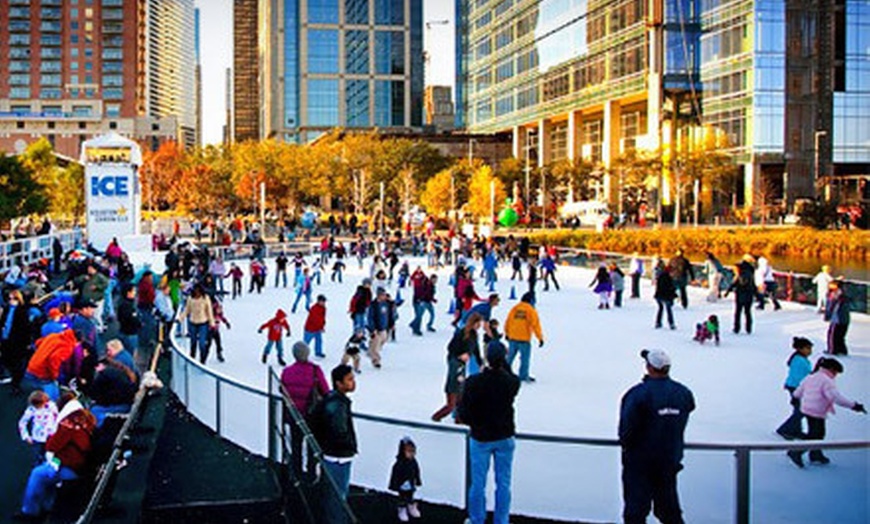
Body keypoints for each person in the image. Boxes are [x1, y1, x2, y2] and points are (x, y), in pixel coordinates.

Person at [619, 349, 695, 524]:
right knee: (669, 510)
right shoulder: (682, 392)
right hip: (669, 460)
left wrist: (628, 445)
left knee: (635, 511)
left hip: (639, 462)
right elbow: (689, 406)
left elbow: (626, 429)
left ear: (649, 367)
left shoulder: (638, 394)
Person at [458, 341, 520, 524]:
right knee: (504, 484)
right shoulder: (510, 383)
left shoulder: (474, 382)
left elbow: (464, 412)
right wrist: (501, 361)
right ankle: (502, 521)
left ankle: (477, 519)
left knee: (478, 484)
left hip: (481, 438)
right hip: (505, 437)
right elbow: (511, 377)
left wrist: (475, 424)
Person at [16, 397, 96, 520]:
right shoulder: (86, 419)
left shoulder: (68, 425)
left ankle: (30, 512)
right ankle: (48, 505)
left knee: (38, 474)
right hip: (80, 465)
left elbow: (51, 446)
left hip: (70, 468)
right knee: (47, 473)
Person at [787, 357, 866, 467]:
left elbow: (799, 390)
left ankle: (815, 455)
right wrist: (853, 405)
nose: (836, 375)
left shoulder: (811, 377)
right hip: (817, 411)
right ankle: (796, 452)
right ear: (831, 369)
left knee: (815, 433)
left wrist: (795, 397)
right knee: (816, 435)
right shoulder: (827, 381)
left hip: (807, 409)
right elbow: (835, 398)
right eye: (836, 372)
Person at [311, 364, 357, 524]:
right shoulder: (337, 405)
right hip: (338, 457)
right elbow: (339, 431)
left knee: (333, 495)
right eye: (349, 379)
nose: (353, 382)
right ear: (339, 383)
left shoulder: (331, 400)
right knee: (337, 496)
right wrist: (348, 447)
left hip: (334, 454)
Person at [280, 341, 330, 476]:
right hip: (312, 415)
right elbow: (326, 391)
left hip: (294, 415)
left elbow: (282, 391)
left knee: (296, 445)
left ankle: (297, 473)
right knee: (312, 445)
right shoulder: (315, 370)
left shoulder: (286, 372)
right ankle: (312, 472)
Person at [432, 312, 482, 422]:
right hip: (456, 363)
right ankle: (438, 416)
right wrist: (460, 355)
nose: (480, 326)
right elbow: (451, 348)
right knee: (455, 390)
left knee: (461, 392)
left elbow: (475, 351)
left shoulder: (474, 335)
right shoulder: (461, 333)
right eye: (479, 323)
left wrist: (481, 363)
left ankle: (459, 418)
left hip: (462, 365)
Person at [776, 337, 813, 440]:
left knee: (799, 409)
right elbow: (799, 377)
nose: (810, 351)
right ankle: (785, 429)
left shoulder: (800, 359)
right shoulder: (799, 361)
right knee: (801, 410)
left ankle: (795, 430)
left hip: (797, 387)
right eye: (808, 348)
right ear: (800, 349)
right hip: (796, 388)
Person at [504, 292, 544, 383]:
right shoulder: (531, 310)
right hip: (524, 338)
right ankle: (523, 375)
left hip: (513, 337)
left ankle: (504, 372)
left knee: (509, 357)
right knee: (524, 358)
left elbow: (508, 321)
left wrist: (507, 332)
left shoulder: (515, 308)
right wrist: (540, 338)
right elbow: (535, 325)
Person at [18, 390, 59, 465]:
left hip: (51, 435)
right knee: (38, 455)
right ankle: (38, 468)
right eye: (37, 405)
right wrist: (26, 436)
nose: (39, 407)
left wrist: (57, 430)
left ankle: (52, 468)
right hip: (38, 438)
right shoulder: (31, 410)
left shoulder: (52, 406)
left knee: (53, 454)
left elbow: (57, 418)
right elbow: (22, 423)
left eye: (40, 404)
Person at [389, 436, 423, 522]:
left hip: (411, 484)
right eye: (409, 451)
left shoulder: (414, 462)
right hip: (402, 485)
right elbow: (395, 475)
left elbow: (416, 472)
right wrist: (394, 485)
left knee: (410, 496)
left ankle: (411, 506)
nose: (411, 454)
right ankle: (402, 508)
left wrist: (418, 480)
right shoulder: (399, 464)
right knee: (402, 497)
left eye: (413, 451)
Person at [179, 285, 215, 364]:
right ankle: (192, 358)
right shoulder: (190, 298)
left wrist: (212, 323)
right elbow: (187, 310)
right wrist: (180, 318)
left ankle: (202, 360)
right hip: (193, 323)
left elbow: (209, 311)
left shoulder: (205, 298)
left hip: (203, 323)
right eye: (195, 291)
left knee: (202, 343)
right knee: (193, 342)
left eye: (198, 291)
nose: (197, 293)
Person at [724, 256, 756, 334]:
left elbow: (736, 283)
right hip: (749, 295)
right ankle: (748, 328)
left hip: (741, 295)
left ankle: (736, 328)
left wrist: (728, 291)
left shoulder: (740, 275)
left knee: (738, 312)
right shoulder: (750, 273)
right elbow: (753, 285)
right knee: (748, 312)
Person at [366, 287, 391, 369]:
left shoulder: (386, 304)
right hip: (376, 329)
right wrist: (372, 329)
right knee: (376, 345)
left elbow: (388, 314)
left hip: (384, 328)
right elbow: (370, 317)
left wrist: (390, 324)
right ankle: (376, 361)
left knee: (382, 341)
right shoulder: (373, 305)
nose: (384, 296)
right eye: (383, 295)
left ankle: (371, 350)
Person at [824, 280, 850, 356]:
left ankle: (833, 350)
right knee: (840, 335)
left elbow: (831, 306)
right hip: (844, 319)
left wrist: (827, 315)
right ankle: (842, 350)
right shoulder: (844, 294)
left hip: (837, 319)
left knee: (833, 335)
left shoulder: (835, 295)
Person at [653, 262, 677, 330]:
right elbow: (669, 288)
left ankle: (658, 322)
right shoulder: (667, 278)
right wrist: (673, 294)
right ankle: (671, 323)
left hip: (659, 295)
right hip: (665, 296)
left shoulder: (661, 276)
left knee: (661, 308)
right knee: (668, 309)